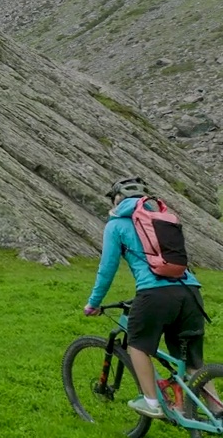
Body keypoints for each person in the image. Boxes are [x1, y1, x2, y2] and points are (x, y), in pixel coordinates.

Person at [84, 176, 209, 418]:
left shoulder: (116, 224)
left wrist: (94, 303)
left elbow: (107, 268)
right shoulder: (162, 220)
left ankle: (152, 403)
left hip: (155, 293)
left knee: (137, 345)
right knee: (193, 362)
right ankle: (217, 411)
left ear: (117, 199)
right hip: (190, 291)